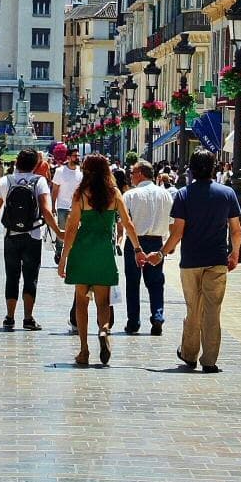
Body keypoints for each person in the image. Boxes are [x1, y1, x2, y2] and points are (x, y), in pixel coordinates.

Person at [147, 149, 241, 373]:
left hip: (190, 262)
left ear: (190, 169)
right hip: (217, 260)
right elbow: (236, 230)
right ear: (214, 168)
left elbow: (177, 232)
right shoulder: (227, 193)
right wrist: (235, 253)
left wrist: (161, 254)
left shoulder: (183, 195)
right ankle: (209, 360)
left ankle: (189, 354)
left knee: (193, 308)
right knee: (212, 311)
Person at [59, 154, 145, 365]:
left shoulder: (81, 194)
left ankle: (84, 350)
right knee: (103, 301)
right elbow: (128, 224)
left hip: (82, 250)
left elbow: (71, 228)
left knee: (81, 301)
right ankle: (104, 330)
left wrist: (63, 257)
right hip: (104, 251)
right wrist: (137, 249)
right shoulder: (114, 193)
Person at [0, 148, 63, 331]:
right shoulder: (39, 181)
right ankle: (28, 318)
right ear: (36, 165)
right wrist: (59, 232)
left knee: (12, 276)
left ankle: (9, 317)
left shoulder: (5, 181)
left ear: (17, 162)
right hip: (33, 235)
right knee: (31, 277)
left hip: (11, 235)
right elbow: (47, 211)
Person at [121, 159, 172, 336]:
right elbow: (172, 221)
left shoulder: (130, 195)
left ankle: (133, 322)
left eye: (133, 173)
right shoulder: (165, 194)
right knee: (156, 282)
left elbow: (126, 223)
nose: (131, 176)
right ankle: (157, 316)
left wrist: (135, 247)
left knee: (133, 283)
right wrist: (168, 246)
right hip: (157, 242)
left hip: (135, 242)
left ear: (140, 174)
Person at [51, 148, 82, 262]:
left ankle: (72, 252)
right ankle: (59, 252)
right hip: (62, 206)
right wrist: (53, 205)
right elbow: (55, 189)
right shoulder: (60, 171)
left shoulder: (81, 172)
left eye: (78, 155)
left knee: (75, 230)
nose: (77, 157)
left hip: (76, 207)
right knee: (62, 230)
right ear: (68, 157)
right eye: (75, 155)